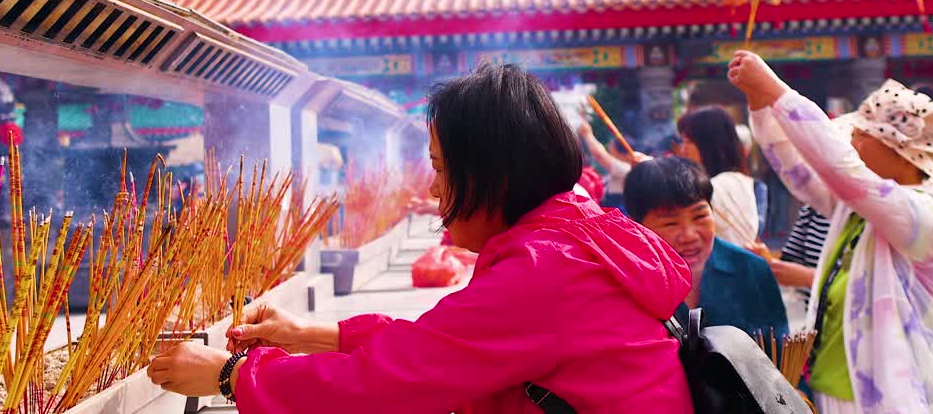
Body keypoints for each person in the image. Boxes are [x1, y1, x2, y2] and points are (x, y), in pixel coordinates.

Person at [146, 63, 692, 413]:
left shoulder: (545, 269)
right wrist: (308, 333)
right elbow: (447, 344)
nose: (433, 189)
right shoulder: (574, 229)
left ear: (491, 177)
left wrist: (229, 376)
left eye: (440, 167)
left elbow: (388, 382)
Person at [730, 50, 933, 414]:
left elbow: (843, 171)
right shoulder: (858, 207)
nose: (851, 143)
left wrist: (776, 89)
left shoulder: (932, 217)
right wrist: (761, 102)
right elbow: (797, 169)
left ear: (899, 153)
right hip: (834, 387)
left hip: (898, 399)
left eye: (861, 136)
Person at [623, 156, 788, 340]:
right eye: (670, 223)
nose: (690, 235)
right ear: (637, 226)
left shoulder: (753, 271)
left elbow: (778, 353)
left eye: (700, 216)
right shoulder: (625, 286)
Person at [677, 106, 759, 246]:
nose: (682, 150)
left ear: (708, 144)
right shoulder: (737, 180)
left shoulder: (721, 185)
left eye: (687, 142)